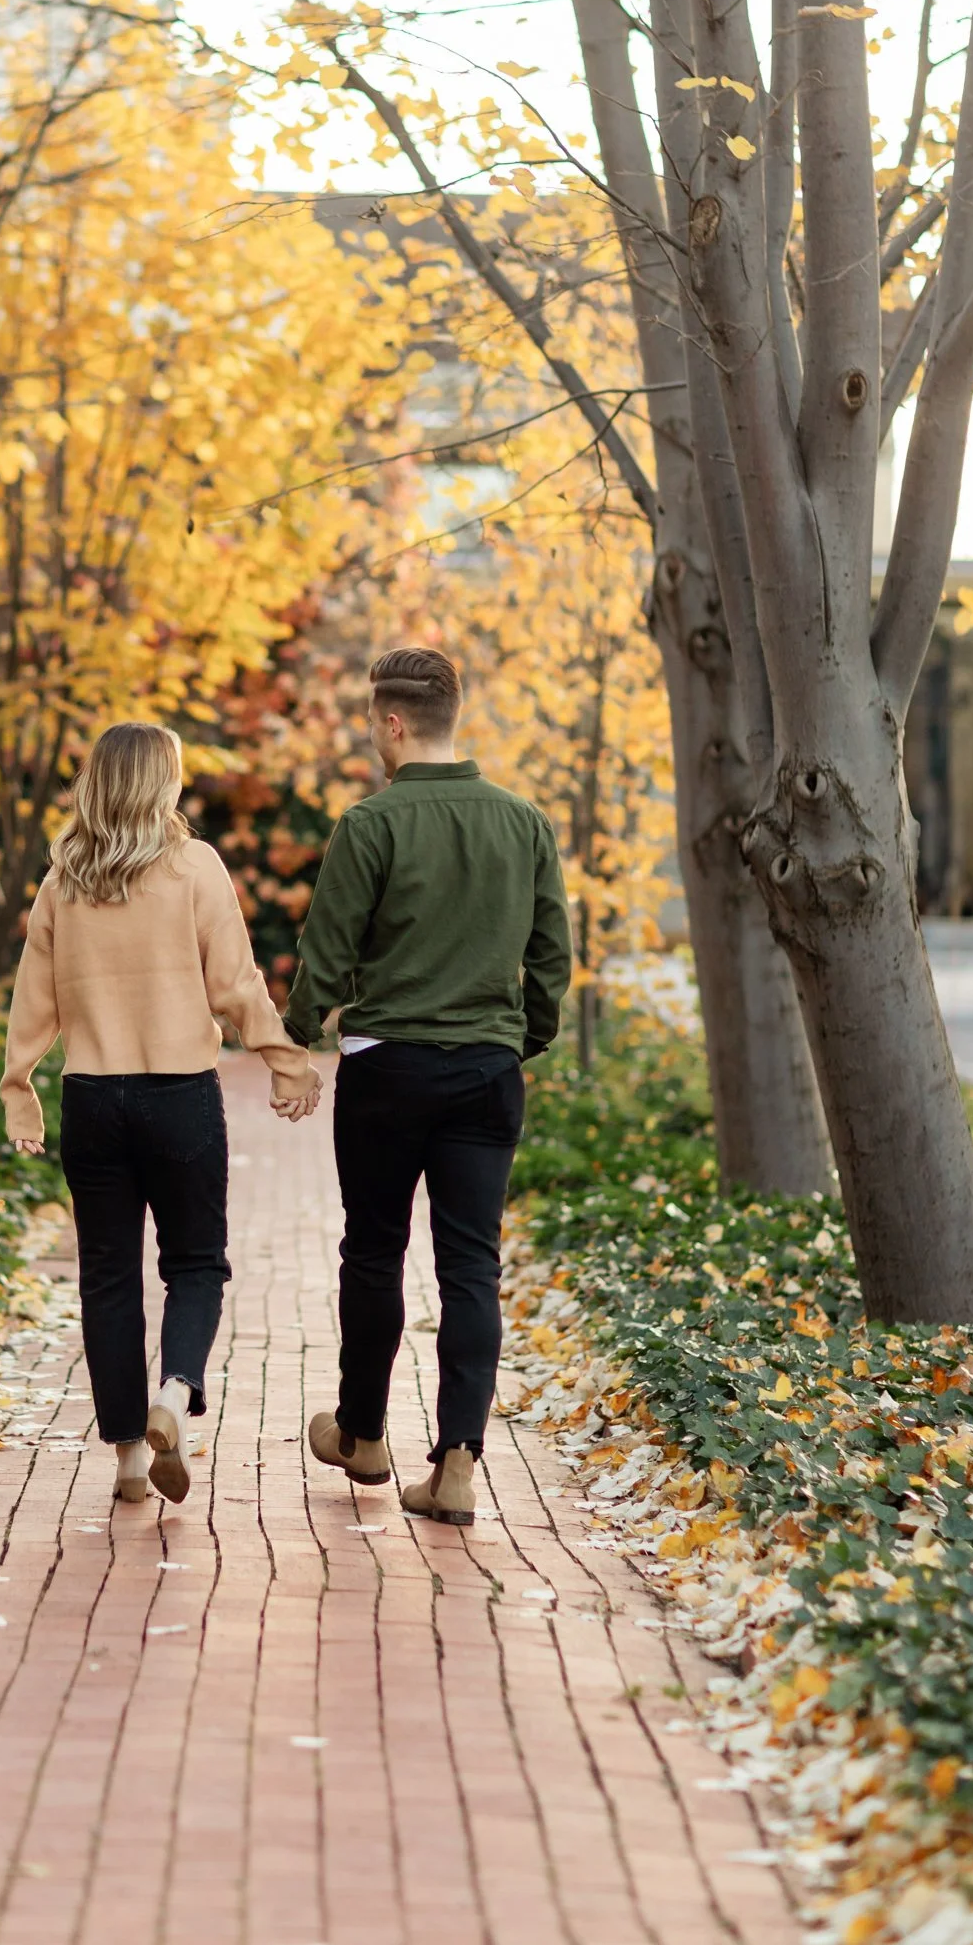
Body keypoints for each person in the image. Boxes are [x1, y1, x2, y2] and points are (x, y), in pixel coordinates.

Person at [284, 646, 571, 1528]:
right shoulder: (524, 823)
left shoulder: (370, 824)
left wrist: (295, 1037)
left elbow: (324, 957)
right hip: (485, 1074)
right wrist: (519, 1040)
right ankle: (456, 1462)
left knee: (373, 1251)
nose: (372, 737)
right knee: (470, 1266)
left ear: (394, 723)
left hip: (387, 1069)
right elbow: (550, 956)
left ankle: (363, 1435)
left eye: (374, 723)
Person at [3, 721, 321, 1507]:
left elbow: (31, 1003)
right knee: (194, 1264)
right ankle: (172, 1399)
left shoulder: (62, 882)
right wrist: (285, 1061)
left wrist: (20, 1090)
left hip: (92, 1099)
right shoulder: (194, 868)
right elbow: (237, 984)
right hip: (178, 1095)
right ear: (161, 785)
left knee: (108, 1277)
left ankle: (125, 1463)